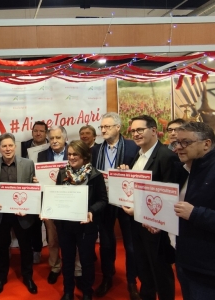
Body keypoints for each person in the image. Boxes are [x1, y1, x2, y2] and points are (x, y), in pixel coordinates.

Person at [122, 115, 178, 300]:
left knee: (160, 271)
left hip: (157, 227)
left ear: (154, 131)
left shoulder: (166, 156)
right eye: (134, 130)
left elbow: (171, 195)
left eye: (140, 130)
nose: (136, 134)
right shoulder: (136, 156)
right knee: (143, 268)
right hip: (137, 223)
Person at [92, 112, 140, 299]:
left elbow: (142, 172)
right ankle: (107, 278)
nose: (103, 130)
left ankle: (131, 282)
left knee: (130, 245)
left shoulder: (132, 147)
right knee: (106, 243)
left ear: (118, 127)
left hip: (126, 202)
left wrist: (130, 172)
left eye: (107, 127)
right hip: (104, 201)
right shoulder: (96, 149)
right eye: (101, 127)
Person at [0, 133, 38, 295]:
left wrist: (28, 206)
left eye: (10, 145)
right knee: (2, 247)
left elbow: (33, 188)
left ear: (15, 146)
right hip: (0, 213)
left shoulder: (28, 164)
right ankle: (2, 277)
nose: (7, 149)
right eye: (4, 146)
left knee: (25, 247)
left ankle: (28, 277)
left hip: (22, 213)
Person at [55, 140, 108, 300]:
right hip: (65, 225)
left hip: (86, 226)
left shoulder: (95, 175)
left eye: (75, 154)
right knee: (68, 260)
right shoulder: (63, 173)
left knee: (86, 261)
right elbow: (57, 196)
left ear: (84, 156)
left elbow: (103, 200)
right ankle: (68, 291)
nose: (71, 157)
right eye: (69, 154)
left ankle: (86, 292)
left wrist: (91, 211)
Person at [172, 122, 215, 299]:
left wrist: (195, 213)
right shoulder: (188, 168)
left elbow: (190, 211)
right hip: (186, 259)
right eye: (177, 142)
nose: (178, 148)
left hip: (207, 269)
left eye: (185, 143)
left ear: (206, 143)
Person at [37, 126, 82, 286]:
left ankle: (77, 270)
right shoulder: (42, 155)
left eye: (58, 138)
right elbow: (39, 177)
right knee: (53, 238)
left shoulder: (73, 153)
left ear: (65, 138)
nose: (54, 141)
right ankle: (55, 267)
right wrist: (37, 180)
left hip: (70, 202)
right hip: (50, 202)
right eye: (52, 138)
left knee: (74, 238)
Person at [20, 121, 49, 264]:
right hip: (28, 188)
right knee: (30, 222)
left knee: (43, 223)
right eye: (35, 131)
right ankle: (30, 249)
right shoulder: (23, 146)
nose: (38, 133)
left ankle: (38, 250)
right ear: (32, 132)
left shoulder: (51, 146)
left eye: (41, 131)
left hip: (47, 189)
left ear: (46, 133)